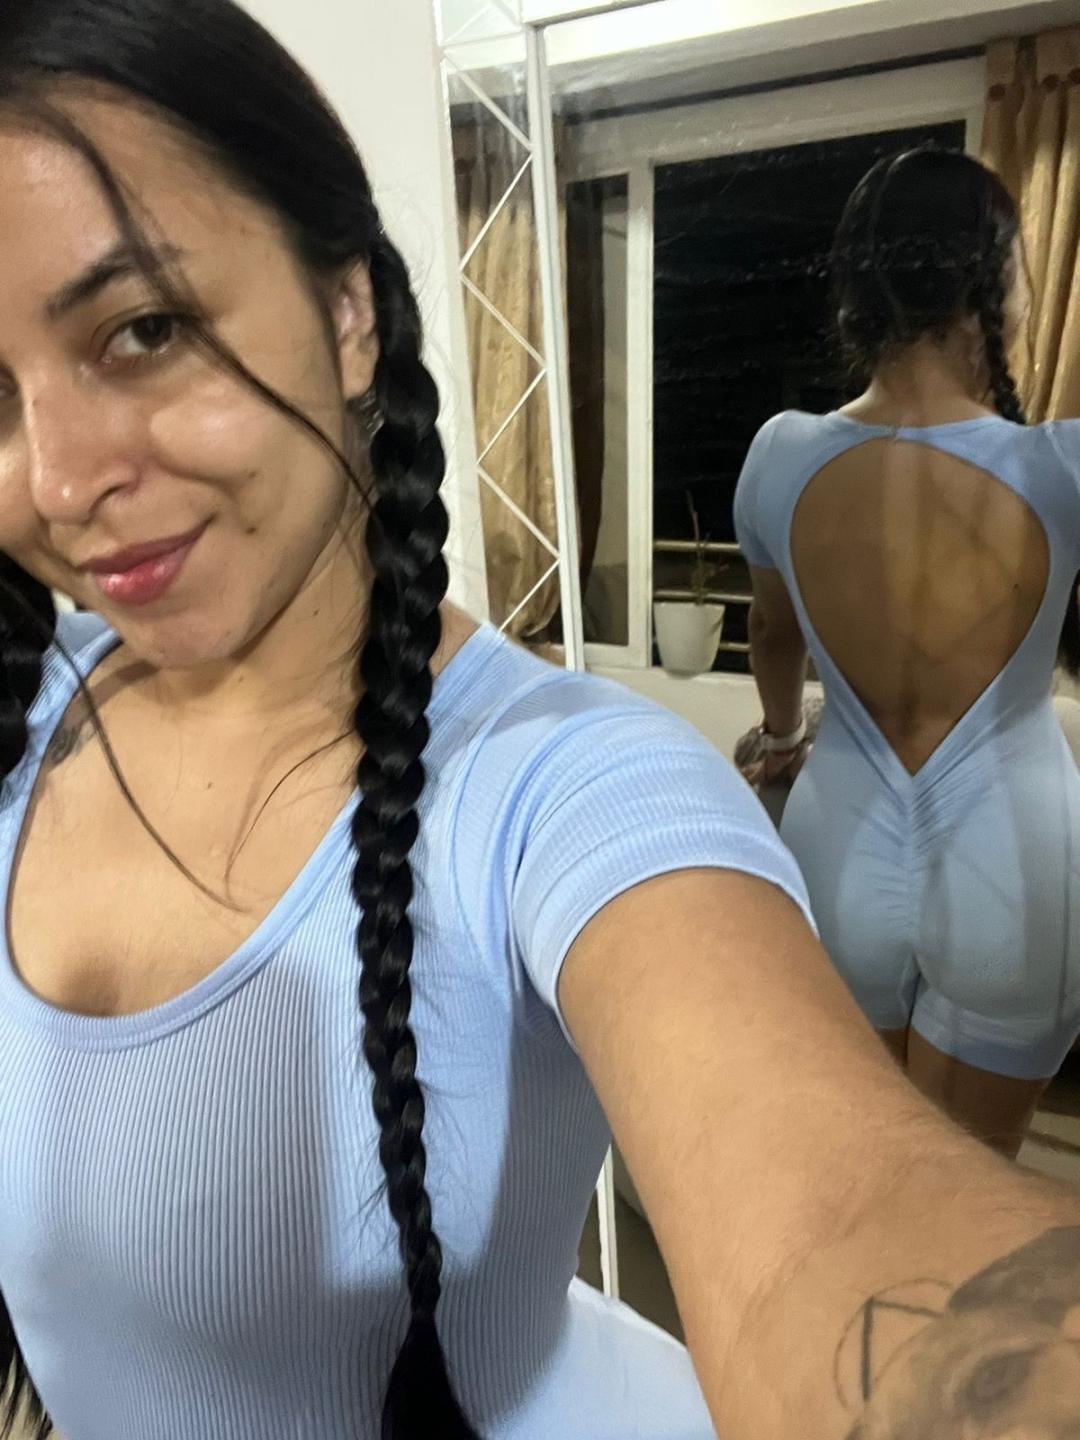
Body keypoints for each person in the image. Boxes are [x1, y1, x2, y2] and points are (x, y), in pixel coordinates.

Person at [0, 9, 1075, 1437]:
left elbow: (845, 1223)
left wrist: (774, 736)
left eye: (143, 332)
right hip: (1015, 828)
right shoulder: (1058, 463)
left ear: (349, 312)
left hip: (848, 813)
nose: (58, 482)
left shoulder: (575, 765)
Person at [734, 148, 1080, 1160]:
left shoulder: (780, 454)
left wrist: (783, 735)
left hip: (839, 840)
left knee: (863, 1166)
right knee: (970, 1186)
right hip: (1014, 854)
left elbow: (771, 634)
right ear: (993, 283)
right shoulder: (1061, 465)